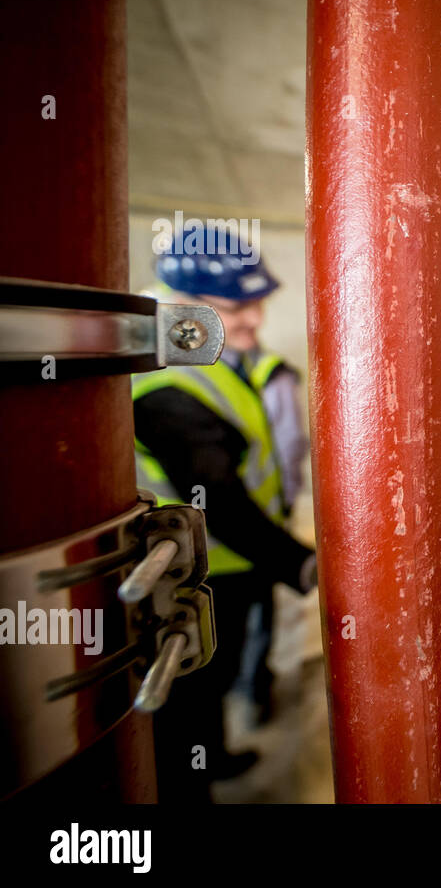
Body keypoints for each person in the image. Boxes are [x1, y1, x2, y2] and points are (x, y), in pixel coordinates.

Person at [133, 225, 315, 802]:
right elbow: (218, 497)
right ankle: (192, 792)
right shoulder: (164, 373)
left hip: (227, 563)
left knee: (210, 679)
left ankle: (211, 762)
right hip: (189, 568)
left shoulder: (203, 351)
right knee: (185, 697)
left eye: (259, 301)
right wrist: (302, 563)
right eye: (237, 305)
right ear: (184, 301)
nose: (254, 321)